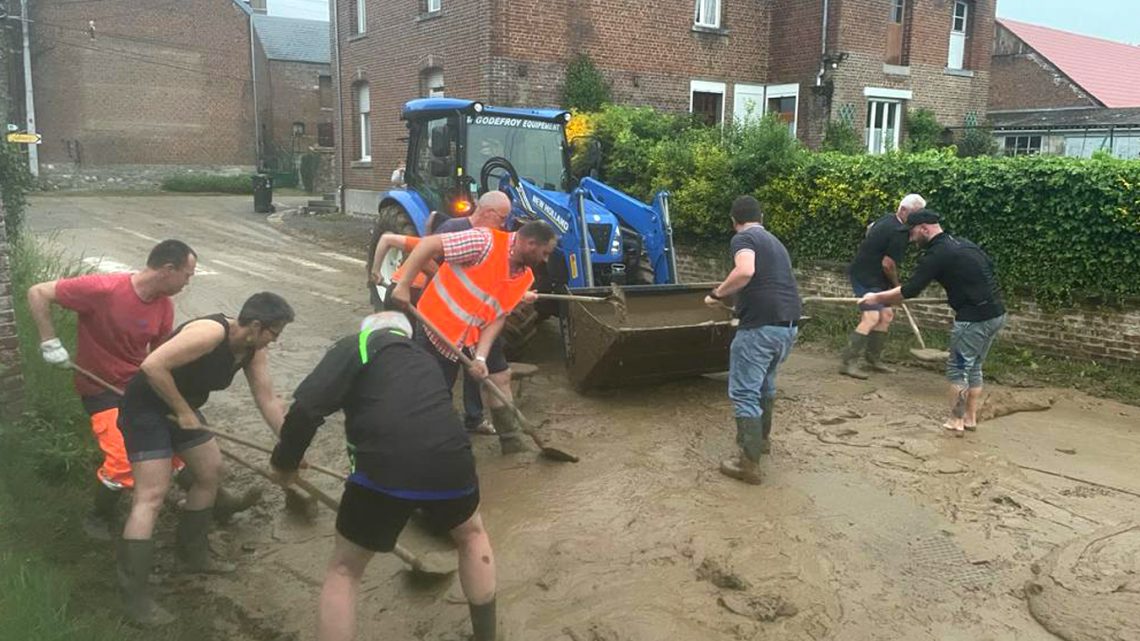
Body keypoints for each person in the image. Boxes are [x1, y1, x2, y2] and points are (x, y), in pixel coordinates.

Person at [270, 312, 497, 641]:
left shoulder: (357, 345)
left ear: (368, 330)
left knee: (345, 570)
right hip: (451, 459)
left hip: (382, 468)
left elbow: (306, 409)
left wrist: (285, 463)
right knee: (473, 536)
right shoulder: (423, 357)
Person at [25, 240, 259, 541]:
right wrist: (48, 341)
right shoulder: (104, 289)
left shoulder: (164, 307)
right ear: (167, 269)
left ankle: (220, 502)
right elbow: (38, 292)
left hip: (140, 388)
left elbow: (160, 357)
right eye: (187, 275)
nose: (188, 282)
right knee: (123, 459)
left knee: (180, 447)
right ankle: (100, 515)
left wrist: (179, 402)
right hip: (101, 390)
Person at [115, 292, 294, 626]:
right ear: (255, 325)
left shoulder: (253, 350)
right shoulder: (209, 333)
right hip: (146, 410)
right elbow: (151, 366)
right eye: (274, 332)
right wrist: (182, 411)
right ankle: (134, 596)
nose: (275, 340)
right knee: (150, 496)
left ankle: (192, 555)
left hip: (183, 409)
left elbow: (267, 399)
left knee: (210, 472)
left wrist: (290, 446)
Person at [391, 220, 556, 454]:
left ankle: (512, 441)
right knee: (434, 390)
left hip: (476, 334)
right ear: (530, 244)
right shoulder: (485, 242)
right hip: (438, 327)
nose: (546, 259)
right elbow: (428, 245)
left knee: (500, 376)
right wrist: (404, 285)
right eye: (545, 252)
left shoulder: (524, 278)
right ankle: (424, 448)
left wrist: (480, 357)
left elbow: (497, 317)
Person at [371, 191, 523, 435]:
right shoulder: (454, 227)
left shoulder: (494, 236)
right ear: (489, 212)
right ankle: (417, 421)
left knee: (475, 368)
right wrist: (441, 278)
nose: (504, 224)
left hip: (471, 315)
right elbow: (426, 252)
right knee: (431, 369)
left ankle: (473, 419)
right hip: (437, 306)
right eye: (502, 217)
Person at [859, 209, 1007, 436]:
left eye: (912, 232)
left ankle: (956, 420)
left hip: (973, 320)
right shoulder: (963, 244)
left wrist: (876, 297)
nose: (910, 238)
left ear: (924, 228)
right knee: (974, 366)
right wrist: (960, 289)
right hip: (996, 313)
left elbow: (910, 290)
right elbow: (987, 269)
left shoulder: (938, 254)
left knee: (958, 369)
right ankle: (970, 418)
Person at [704, 196, 802, 485]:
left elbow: (745, 271)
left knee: (745, 392)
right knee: (765, 385)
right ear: (762, 217)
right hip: (788, 325)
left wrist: (717, 294)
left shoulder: (743, 237)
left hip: (759, 329)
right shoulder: (775, 242)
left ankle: (748, 463)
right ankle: (762, 442)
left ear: (734, 221)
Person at [840, 194, 927, 379]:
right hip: (865, 277)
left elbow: (869, 229)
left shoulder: (888, 219)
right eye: (916, 214)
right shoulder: (898, 232)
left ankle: (873, 359)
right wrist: (898, 289)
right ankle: (848, 363)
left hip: (877, 278)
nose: (918, 219)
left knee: (886, 315)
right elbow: (888, 264)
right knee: (872, 316)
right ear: (903, 210)